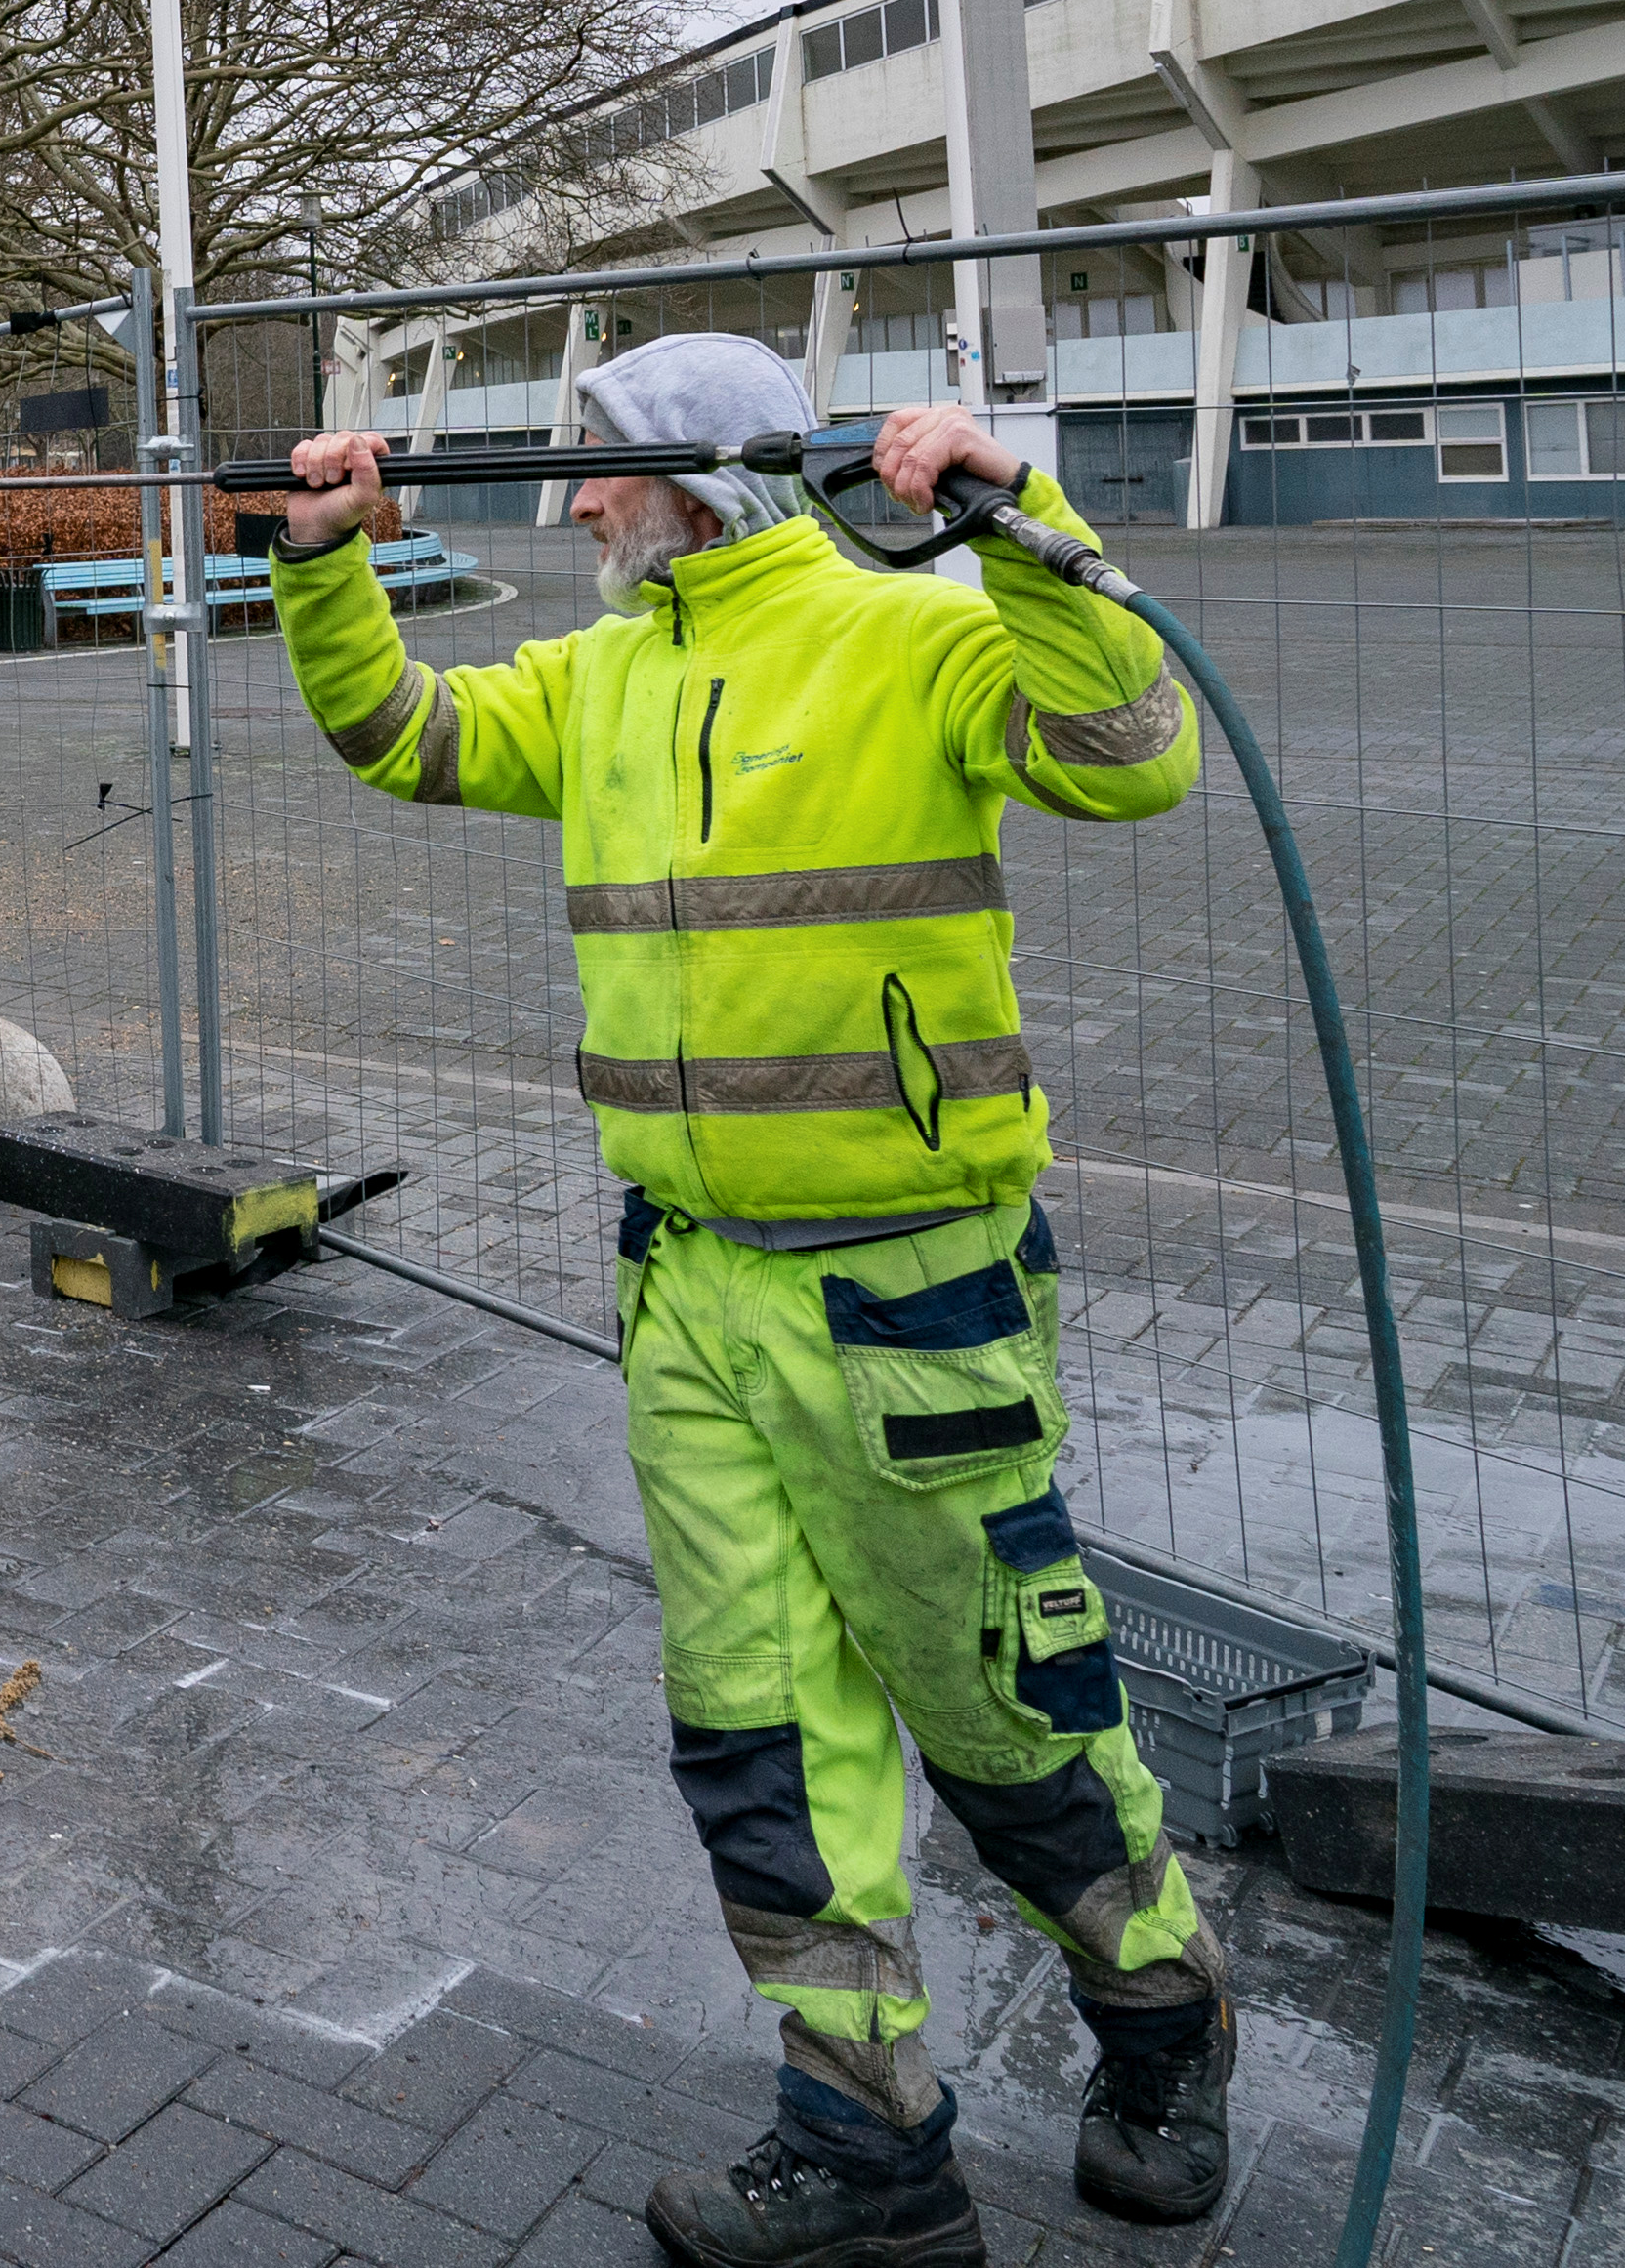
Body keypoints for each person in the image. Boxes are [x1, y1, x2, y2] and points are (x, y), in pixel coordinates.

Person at [274, 335, 1231, 2268]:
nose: (563, 505)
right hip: (685, 1300)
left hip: (910, 1307)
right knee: (755, 1732)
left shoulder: (913, 636)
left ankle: (1157, 2009)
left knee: (997, 1711)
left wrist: (1016, 507)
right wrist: (323, 558)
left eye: (590, 472)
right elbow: (404, 738)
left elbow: (1136, 759)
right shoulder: (601, 673)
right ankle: (863, 2132)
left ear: (696, 476)